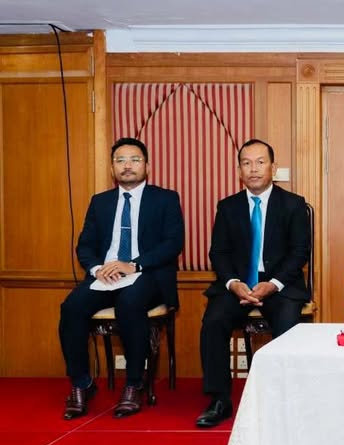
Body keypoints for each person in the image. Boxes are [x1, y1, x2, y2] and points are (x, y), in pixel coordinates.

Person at [59, 138, 184, 419]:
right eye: (120, 160)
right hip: (106, 275)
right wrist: (97, 269)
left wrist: (134, 265)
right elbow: (85, 245)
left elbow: (173, 243)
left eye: (135, 160)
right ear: (112, 168)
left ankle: (134, 383)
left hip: (146, 274)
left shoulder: (165, 198)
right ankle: (82, 384)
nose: (127, 166)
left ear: (147, 166)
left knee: (129, 302)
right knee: (71, 308)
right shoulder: (100, 202)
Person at [195, 139, 310, 428]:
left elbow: (299, 252)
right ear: (239, 171)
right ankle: (219, 400)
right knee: (213, 321)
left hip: (281, 285)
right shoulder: (228, 207)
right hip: (238, 285)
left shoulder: (293, 204)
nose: (253, 169)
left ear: (273, 167)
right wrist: (233, 283)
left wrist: (273, 284)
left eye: (260, 162)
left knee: (287, 325)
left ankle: (282, 400)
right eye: (246, 163)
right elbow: (218, 253)